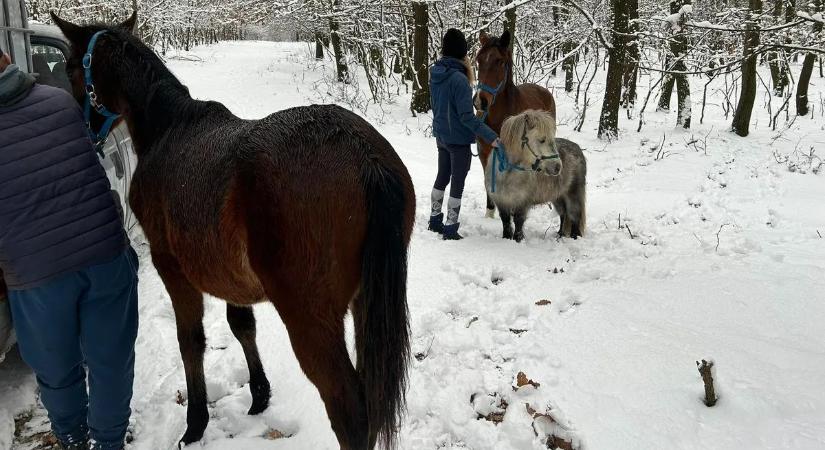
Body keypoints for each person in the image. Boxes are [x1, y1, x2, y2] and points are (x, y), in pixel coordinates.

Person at [0, 47, 138, 450]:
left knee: (57, 368)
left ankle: (73, 438)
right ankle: (109, 443)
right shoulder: (59, 101)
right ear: (8, 62)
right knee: (111, 362)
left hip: (36, 274)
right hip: (105, 255)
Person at [428, 28, 500, 240]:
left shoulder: (436, 73)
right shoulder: (459, 79)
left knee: (442, 176)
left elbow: (442, 106)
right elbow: (467, 118)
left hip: (441, 136)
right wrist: (492, 137)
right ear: (462, 51)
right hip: (458, 140)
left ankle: (434, 219)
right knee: (457, 183)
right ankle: (450, 228)